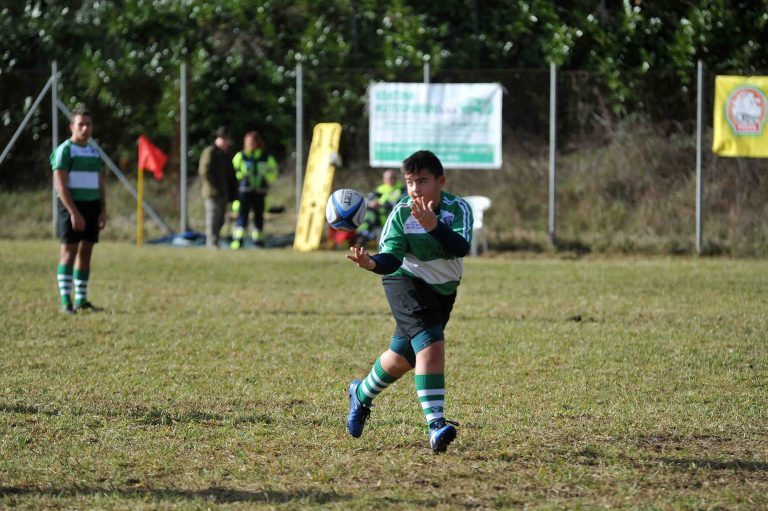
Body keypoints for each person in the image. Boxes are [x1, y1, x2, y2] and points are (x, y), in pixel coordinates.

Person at [344, 150, 473, 453]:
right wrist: (373, 263)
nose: (415, 188)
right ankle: (436, 424)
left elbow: (461, 247)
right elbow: (391, 257)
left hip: (442, 292)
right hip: (404, 280)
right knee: (431, 344)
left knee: (402, 358)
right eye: (410, 182)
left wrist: (434, 226)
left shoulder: (458, 208)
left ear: (440, 182)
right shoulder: (401, 212)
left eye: (423, 181)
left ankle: (360, 394)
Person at [51, 107, 107, 314]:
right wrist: (74, 212)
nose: (85, 128)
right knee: (69, 252)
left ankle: (81, 300)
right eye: (80, 124)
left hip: (92, 206)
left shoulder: (93, 151)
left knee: (86, 252)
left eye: (88, 124)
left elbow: (100, 183)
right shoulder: (65, 150)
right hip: (72, 206)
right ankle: (66, 301)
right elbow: (60, 185)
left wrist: (102, 210)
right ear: (72, 127)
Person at [230, 130, 278, 249]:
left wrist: (266, 178)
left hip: (259, 191)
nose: (250, 144)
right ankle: (238, 240)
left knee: (259, 216)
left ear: (258, 143)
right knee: (242, 215)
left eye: (252, 142)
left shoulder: (265, 157)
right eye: (248, 142)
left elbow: (273, 170)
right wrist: (240, 177)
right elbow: (233, 170)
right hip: (244, 191)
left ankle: (258, 240)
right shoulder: (241, 156)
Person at [198, 126, 235, 249]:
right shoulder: (210, 152)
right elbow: (204, 170)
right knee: (212, 218)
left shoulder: (226, 154)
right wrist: (213, 185)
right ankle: (211, 243)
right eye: (223, 139)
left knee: (220, 219)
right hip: (212, 192)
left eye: (227, 139)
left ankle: (216, 240)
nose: (225, 142)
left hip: (223, 192)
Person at [355, 169, 405, 246]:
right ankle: (362, 237)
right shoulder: (380, 189)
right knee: (368, 213)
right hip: (380, 219)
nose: (392, 180)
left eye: (394, 177)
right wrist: (371, 203)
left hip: (395, 218)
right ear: (384, 179)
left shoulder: (402, 189)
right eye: (390, 178)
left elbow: (401, 203)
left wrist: (382, 204)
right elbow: (367, 200)